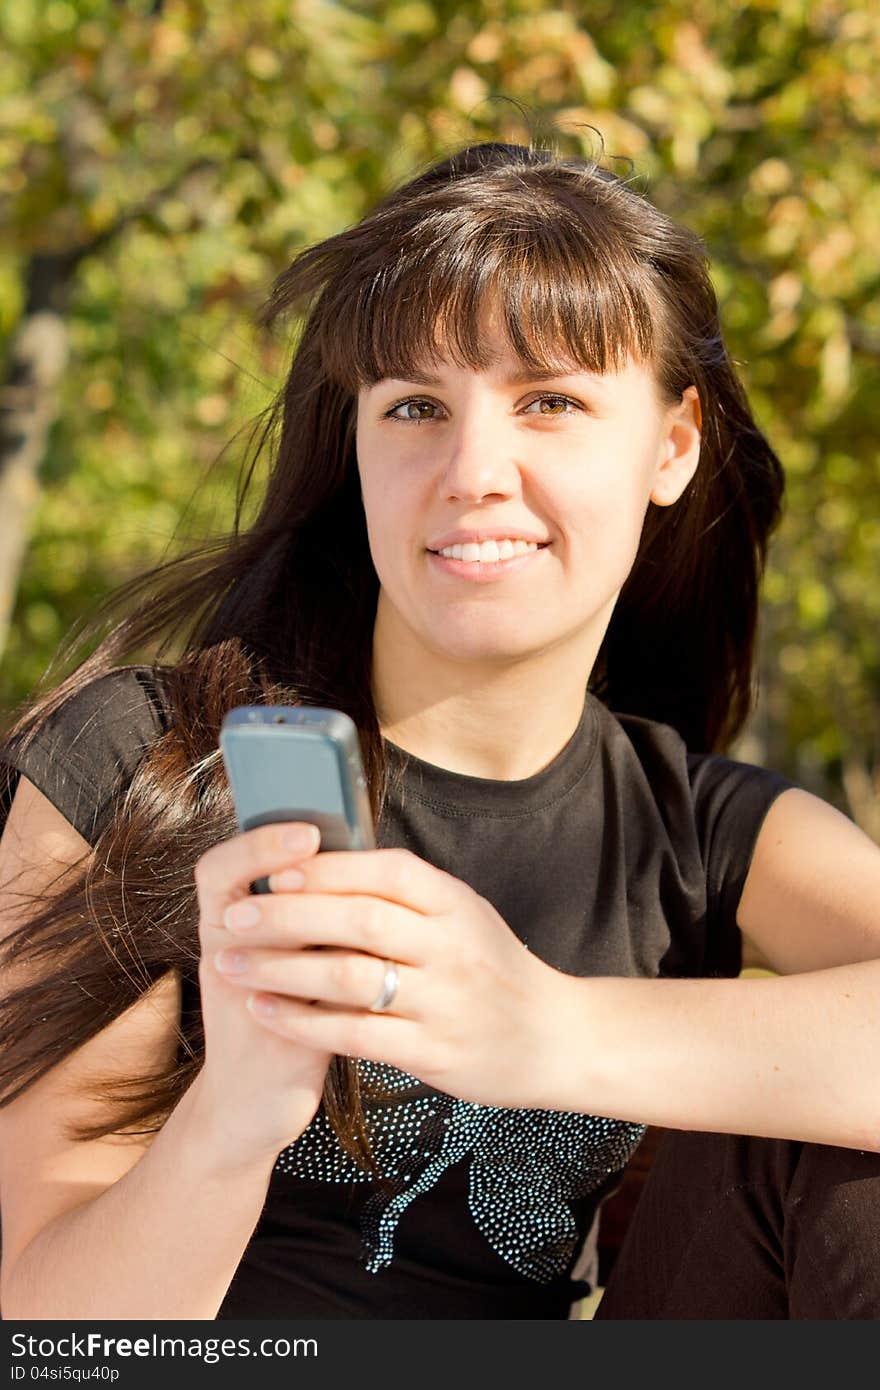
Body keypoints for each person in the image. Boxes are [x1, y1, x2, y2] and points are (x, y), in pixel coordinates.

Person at [0, 139, 878, 1322]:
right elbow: (53, 1338)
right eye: (414, 405)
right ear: (354, 442)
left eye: (550, 402)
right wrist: (237, 1111)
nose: (472, 469)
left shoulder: (709, 832)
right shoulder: (149, 766)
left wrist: (542, 1026)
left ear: (671, 446)